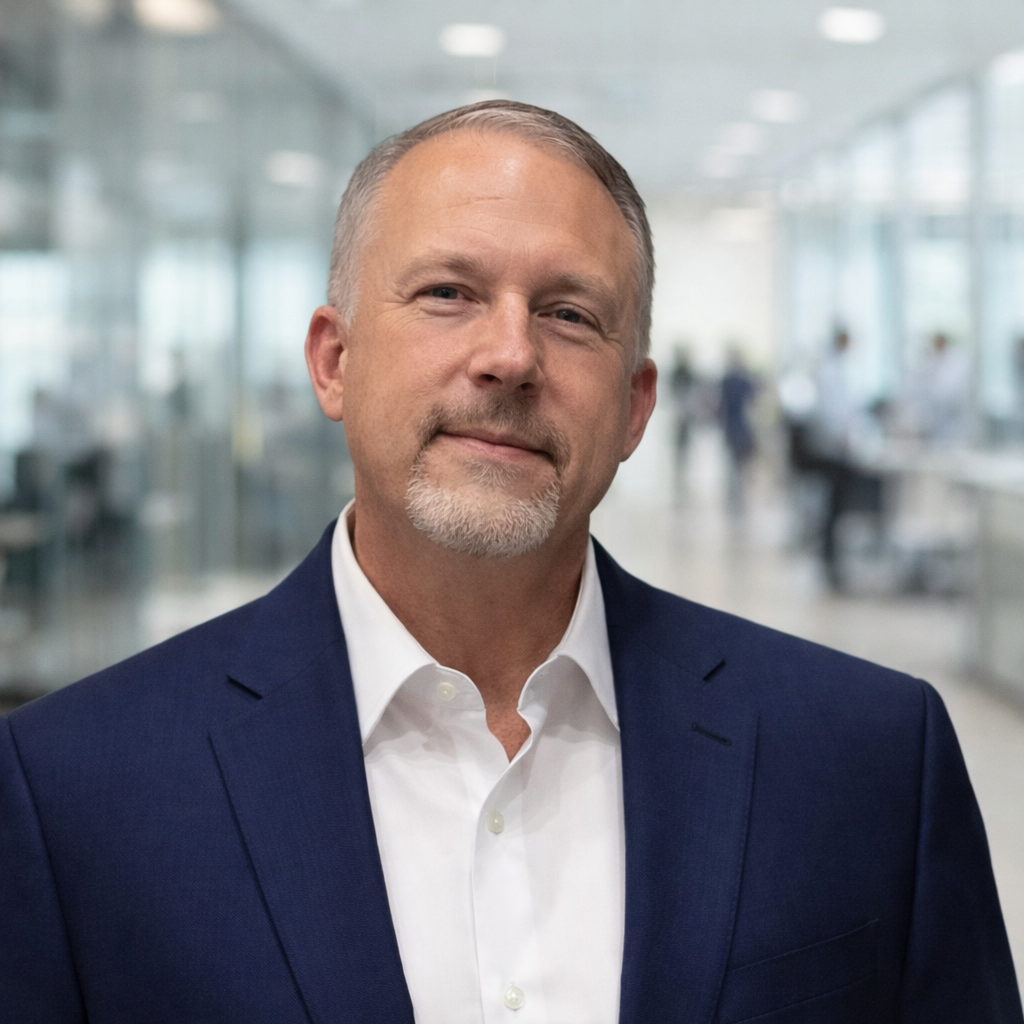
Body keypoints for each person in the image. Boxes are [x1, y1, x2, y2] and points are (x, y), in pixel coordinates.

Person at [1, 101, 1020, 1024]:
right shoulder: (73, 790)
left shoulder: (871, 760)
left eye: (570, 314)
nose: (511, 356)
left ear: (632, 407)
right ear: (333, 361)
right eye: (448, 292)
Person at [718, 348, 758, 514]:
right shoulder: (741, 382)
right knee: (739, 465)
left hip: (733, 427)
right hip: (739, 426)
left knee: (735, 465)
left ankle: (736, 496)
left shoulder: (727, 382)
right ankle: (738, 496)